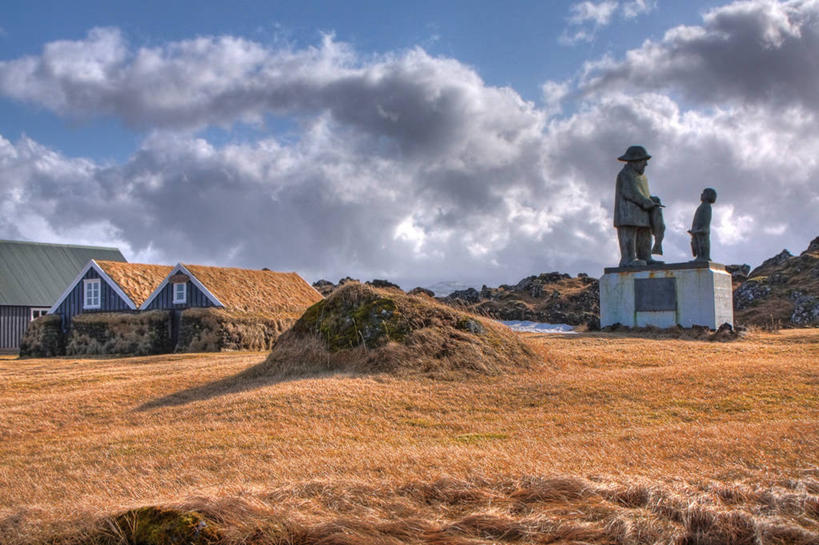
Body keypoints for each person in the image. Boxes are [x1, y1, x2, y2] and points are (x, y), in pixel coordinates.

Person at [614, 145, 665, 267]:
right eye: (643, 161)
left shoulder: (642, 177)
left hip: (643, 214)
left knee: (645, 236)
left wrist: (651, 199)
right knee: (629, 238)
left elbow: (643, 193)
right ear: (634, 162)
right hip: (627, 215)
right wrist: (645, 202)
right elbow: (630, 192)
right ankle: (628, 260)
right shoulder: (625, 174)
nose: (646, 164)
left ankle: (645, 257)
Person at [689, 187, 717, 262]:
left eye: (704, 193)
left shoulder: (707, 207)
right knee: (696, 244)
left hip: (702, 231)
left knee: (702, 244)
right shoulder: (702, 206)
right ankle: (699, 257)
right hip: (697, 230)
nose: (701, 194)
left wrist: (702, 229)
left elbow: (706, 219)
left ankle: (703, 257)